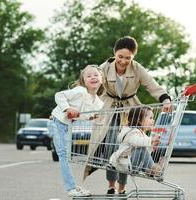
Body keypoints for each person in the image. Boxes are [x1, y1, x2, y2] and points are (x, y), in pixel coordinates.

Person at [83, 36, 172, 195]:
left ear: (133, 57)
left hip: (129, 110)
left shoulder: (137, 69)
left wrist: (165, 99)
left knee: (127, 148)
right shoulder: (104, 68)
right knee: (111, 148)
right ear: (114, 53)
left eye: (128, 58)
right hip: (108, 109)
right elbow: (90, 85)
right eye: (120, 57)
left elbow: (152, 85)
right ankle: (111, 186)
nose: (123, 61)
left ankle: (122, 187)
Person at [51, 65, 104, 197]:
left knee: (67, 156)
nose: (93, 77)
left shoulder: (97, 102)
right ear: (83, 80)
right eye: (89, 76)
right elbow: (59, 95)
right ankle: (71, 188)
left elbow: (88, 114)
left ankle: (73, 186)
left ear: (102, 79)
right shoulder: (79, 91)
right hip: (57, 122)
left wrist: (92, 117)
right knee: (64, 155)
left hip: (68, 126)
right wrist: (67, 108)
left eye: (96, 75)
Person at [109, 106, 162, 178]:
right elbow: (136, 142)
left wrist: (152, 146)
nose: (153, 120)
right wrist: (151, 140)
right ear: (139, 120)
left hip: (133, 163)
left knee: (142, 149)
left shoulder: (140, 132)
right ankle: (152, 169)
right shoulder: (132, 131)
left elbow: (145, 153)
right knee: (141, 148)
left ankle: (150, 170)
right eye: (150, 118)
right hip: (125, 163)